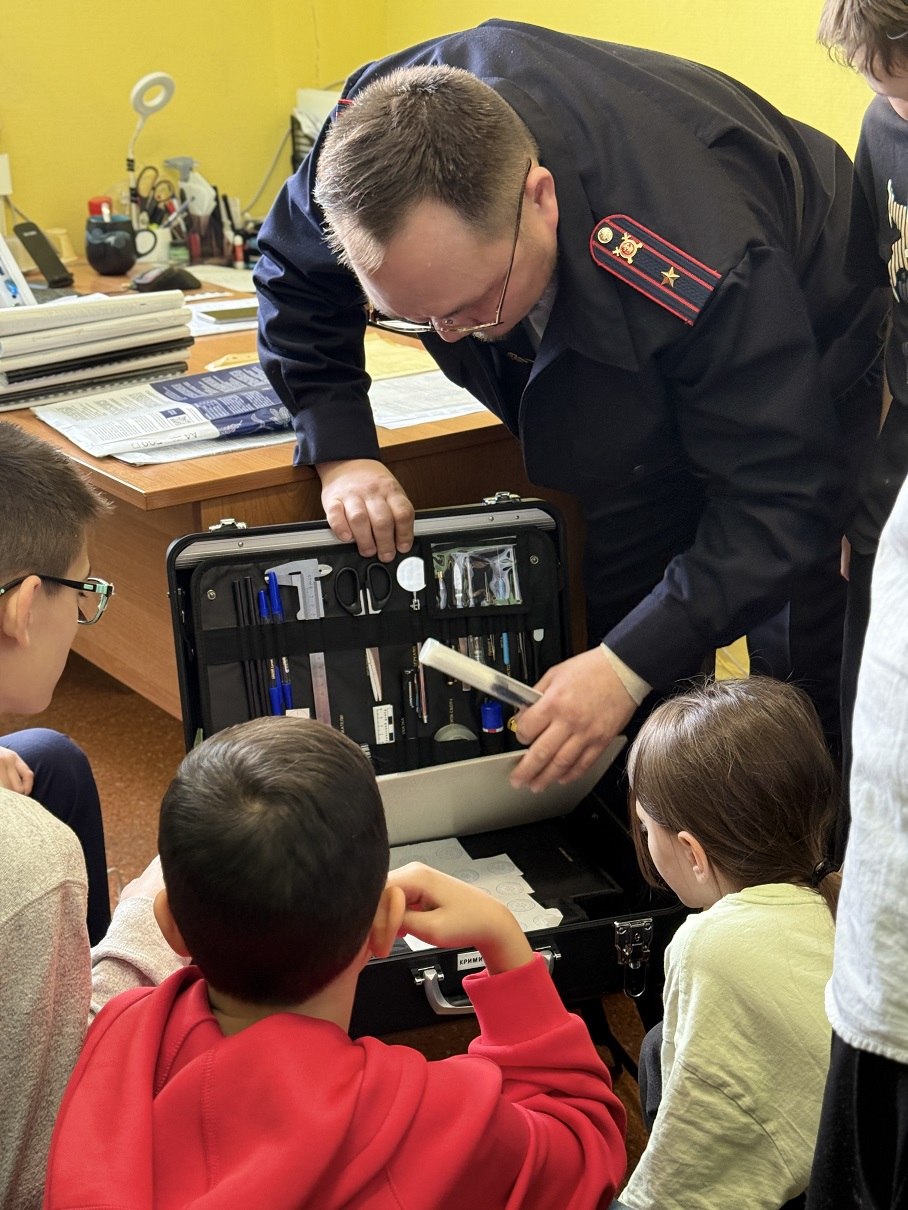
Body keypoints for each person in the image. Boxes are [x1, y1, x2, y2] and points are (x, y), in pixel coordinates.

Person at [255, 19, 887, 798]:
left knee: (795, 668)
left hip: (807, 333)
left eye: (469, 306)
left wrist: (623, 667)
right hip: (613, 386)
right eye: (416, 319)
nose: (448, 335)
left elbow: (783, 501)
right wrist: (341, 443)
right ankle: (644, 864)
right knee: (626, 654)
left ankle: (791, 873)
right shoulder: (371, 148)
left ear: (540, 199)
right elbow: (291, 269)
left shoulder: (696, 259)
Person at [45, 714, 628, 1209]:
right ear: (383, 926)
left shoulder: (118, 1031)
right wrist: (505, 941)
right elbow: (587, 1148)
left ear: (168, 924)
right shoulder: (423, 1119)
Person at [0, 421, 181, 1209]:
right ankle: (111, 1040)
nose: (83, 616)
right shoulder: (31, 861)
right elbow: (35, 1174)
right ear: (24, 605)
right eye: (85, 591)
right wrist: (148, 926)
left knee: (50, 759)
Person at [609, 677, 839, 1209]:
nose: (644, 839)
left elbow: (687, 1171)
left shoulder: (712, 945)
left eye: (646, 828)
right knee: (656, 1045)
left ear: (692, 852)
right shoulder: (842, 895)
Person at [817, 0, 908, 861]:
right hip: (896, 457)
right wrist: (863, 501)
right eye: (886, 88)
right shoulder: (883, 127)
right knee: (868, 713)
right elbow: (883, 317)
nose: (898, 107)